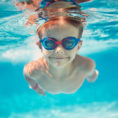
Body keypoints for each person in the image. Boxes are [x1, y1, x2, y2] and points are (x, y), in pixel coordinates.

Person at [23, 16, 99, 96]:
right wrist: (35, 88)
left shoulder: (86, 65)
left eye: (69, 42)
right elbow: (27, 75)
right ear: (40, 46)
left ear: (78, 46)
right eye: (49, 43)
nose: (59, 51)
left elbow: (92, 75)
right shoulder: (33, 70)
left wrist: (92, 77)